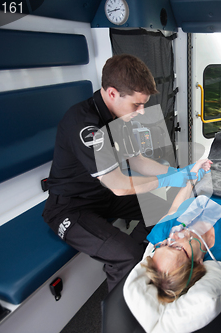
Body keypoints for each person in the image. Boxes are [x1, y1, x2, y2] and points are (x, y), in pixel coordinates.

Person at [42, 54, 204, 291]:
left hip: (101, 197)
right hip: (69, 207)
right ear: (112, 93)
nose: (141, 111)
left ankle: (145, 252)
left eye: (143, 104)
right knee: (126, 255)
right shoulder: (85, 125)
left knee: (168, 202)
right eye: (136, 105)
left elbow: (137, 162)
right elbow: (118, 186)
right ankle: (123, 311)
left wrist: (179, 173)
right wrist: (168, 179)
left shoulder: (120, 116)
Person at [142, 159, 221, 303]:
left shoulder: (163, 233)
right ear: (199, 263)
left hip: (205, 181)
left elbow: (174, 209)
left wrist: (192, 179)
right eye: (177, 247)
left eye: (163, 245)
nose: (173, 236)